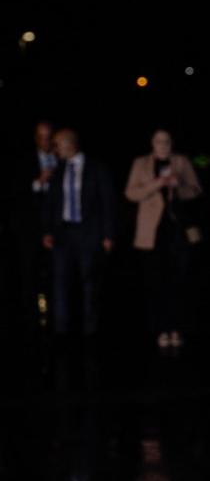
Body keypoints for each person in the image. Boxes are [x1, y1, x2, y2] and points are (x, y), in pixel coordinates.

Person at [124, 129, 202, 349]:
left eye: (167, 141)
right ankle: (160, 328)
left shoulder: (181, 162)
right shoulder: (141, 164)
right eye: (159, 141)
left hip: (177, 231)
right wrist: (156, 184)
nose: (163, 145)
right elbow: (131, 193)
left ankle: (176, 327)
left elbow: (195, 189)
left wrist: (180, 187)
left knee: (178, 281)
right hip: (152, 233)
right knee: (156, 282)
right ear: (152, 143)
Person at [43, 128, 115, 337]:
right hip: (64, 233)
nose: (55, 149)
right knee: (60, 282)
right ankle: (62, 333)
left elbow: (107, 202)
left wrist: (109, 234)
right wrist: (47, 231)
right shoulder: (58, 170)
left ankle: (90, 332)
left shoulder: (97, 168)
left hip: (89, 232)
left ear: (69, 144)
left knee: (89, 283)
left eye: (57, 144)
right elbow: (51, 203)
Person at [9, 121, 57, 337]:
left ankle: (57, 316)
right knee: (30, 273)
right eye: (42, 137)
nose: (46, 141)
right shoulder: (24, 161)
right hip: (30, 229)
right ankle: (30, 321)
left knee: (56, 273)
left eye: (49, 136)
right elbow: (15, 192)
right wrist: (38, 182)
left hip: (57, 228)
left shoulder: (62, 158)